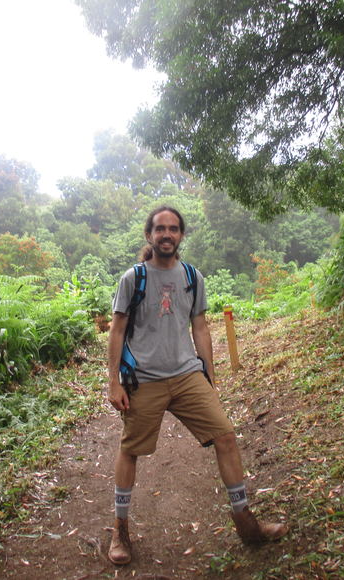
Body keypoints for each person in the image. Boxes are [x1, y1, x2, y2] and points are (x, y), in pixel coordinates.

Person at [105, 206, 289, 565]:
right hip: (145, 379)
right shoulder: (134, 278)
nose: (167, 235)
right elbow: (117, 330)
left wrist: (210, 376)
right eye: (160, 229)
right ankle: (119, 528)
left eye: (173, 229)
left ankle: (245, 520)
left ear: (182, 236)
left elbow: (200, 327)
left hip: (188, 375)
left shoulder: (192, 276)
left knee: (225, 435)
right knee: (130, 450)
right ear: (149, 236)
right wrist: (114, 382)